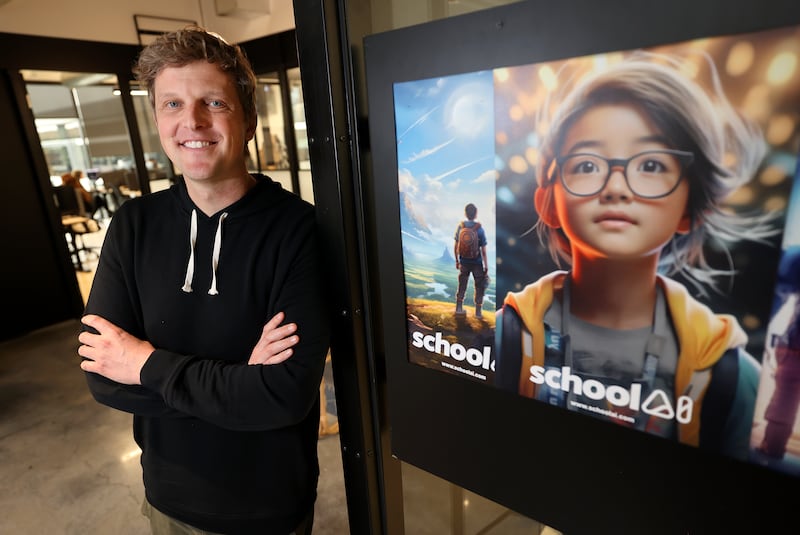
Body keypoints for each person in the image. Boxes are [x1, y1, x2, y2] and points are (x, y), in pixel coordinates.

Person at [78, 26, 330, 535]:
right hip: (169, 496)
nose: (190, 121)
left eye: (213, 101)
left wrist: (144, 363)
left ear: (250, 119)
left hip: (270, 503)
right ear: (156, 118)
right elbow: (102, 376)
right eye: (171, 104)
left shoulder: (300, 230)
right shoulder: (134, 226)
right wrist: (238, 381)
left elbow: (282, 395)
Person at [494, 52, 778, 461]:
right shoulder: (505, 335)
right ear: (548, 202)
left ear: (690, 207)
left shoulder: (729, 374)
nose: (616, 187)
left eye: (650, 164)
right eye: (587, 164)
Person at [454, 203, 488, 318]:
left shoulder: (461, 226)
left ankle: (459, 308)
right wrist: (486, 265)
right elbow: (483, 250)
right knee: (479, 286)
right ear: (476, 214)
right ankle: (478, 311)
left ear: (465, 213)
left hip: (464, 261)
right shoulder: (479, 229)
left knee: (462, 283)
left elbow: (456, 245)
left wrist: (457, 260)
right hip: (477, 262)